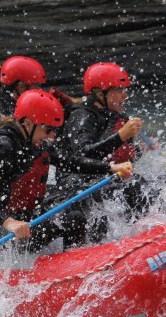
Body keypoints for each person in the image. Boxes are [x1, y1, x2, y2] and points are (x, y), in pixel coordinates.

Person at [0, 90, 132, 252]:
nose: (51, 136)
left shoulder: (36, 142)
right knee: (73, 219)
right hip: (4, 232)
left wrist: (110, 167)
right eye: (48, 129)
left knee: (85, 202)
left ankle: (88, 256)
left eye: (54, 130)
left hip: (26, 218)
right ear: (28, 123)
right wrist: (8, 222)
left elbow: (71, 161)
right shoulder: (3, 147)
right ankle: (73, 267)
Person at [55, 62, 158, 238]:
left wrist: (139, 151)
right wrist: (121, 136)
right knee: (134, 185)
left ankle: (162, 224)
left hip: (101, 177)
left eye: (125, 90)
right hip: (75, 184)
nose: (125, 96)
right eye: (119, 90)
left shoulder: (110, 114)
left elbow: (113, 157)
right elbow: (82, 155)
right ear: (99, 93)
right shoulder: (82, 116)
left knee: (157, 184)